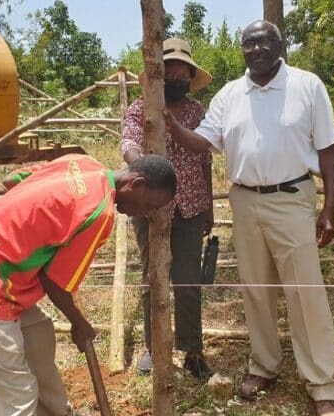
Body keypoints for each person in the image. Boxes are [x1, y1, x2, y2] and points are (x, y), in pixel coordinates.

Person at [161, 20, 334, 416]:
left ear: (280, 45)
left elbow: (328, 150)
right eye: (249, 43)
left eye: (265, 41)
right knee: (256, 289)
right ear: (241, 49)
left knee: (304, 292)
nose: (257, 48)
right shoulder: (230, 94)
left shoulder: (307, 86)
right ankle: (264, 365)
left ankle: (323, 384)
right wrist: (170, 123)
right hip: (244, 201)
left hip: (292, 198)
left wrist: (329, 209)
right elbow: (202, 142)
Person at [0, 153, 177, 416]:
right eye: (149, 205)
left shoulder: (81, 163)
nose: (146, 213)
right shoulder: (99, 213)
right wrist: (79, 323)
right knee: (14, 396)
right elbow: (54, 282)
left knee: (38, 336)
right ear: (136, 184)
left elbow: (12, 180)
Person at [122, 37, 214, 379]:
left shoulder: (196, 112)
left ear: (189, 78)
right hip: (149, 207)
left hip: (190, 208)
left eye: (181, 75)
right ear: (156, 77)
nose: (176, 80)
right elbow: (128, 144)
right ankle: (152, 346)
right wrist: (145, 167)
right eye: (168, 74)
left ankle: (192, 350)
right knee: (152, 276)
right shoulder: (138, 108)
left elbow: (203, 156)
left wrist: (209, 208)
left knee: (188, 281)